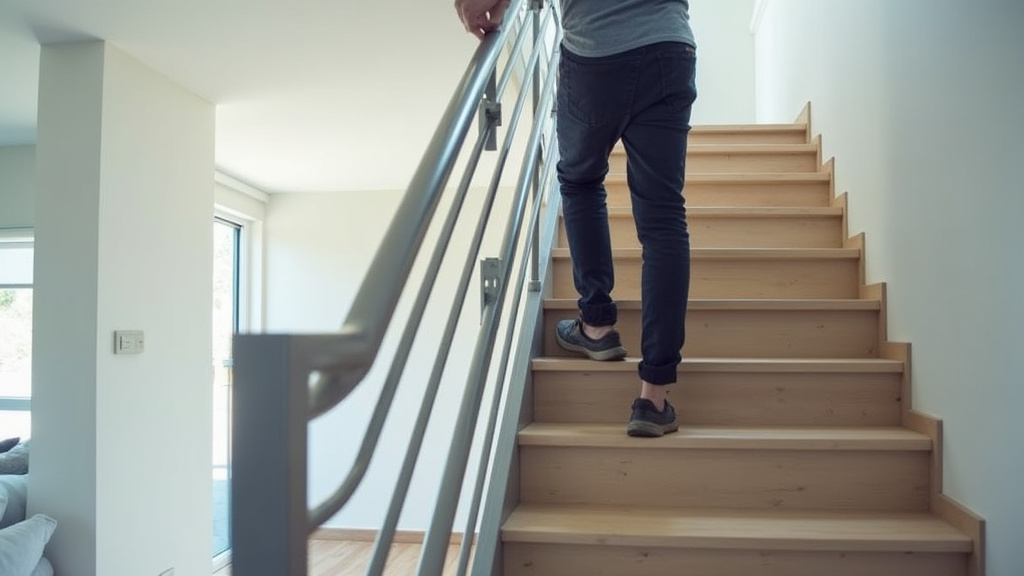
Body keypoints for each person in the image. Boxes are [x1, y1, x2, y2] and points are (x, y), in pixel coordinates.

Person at [456, 0, 697, 437]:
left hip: (595, 53)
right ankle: (653, 397)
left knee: (581, 182)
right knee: (663, 221)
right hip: (668, 46)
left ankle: (598, 324)